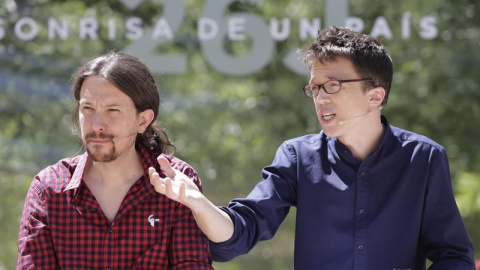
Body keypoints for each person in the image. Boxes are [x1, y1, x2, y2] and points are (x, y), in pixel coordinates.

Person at [149, 26, 475, 269]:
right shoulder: (297, 157)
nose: (320, 98)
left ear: (375, 96)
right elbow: (242, 231)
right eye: (315, 88)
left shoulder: (424, 158)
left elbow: (453, 255)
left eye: (332, 85)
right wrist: (198, 202)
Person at [16, 52, 214, 269]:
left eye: (113, 110)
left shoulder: (175, 183)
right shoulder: (49, 189)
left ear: (143, 120)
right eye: (88, 109)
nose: (97, 124)